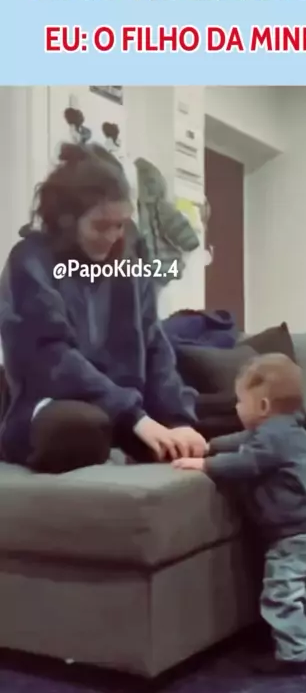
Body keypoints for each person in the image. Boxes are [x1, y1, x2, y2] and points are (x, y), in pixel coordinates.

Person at [0, 142, 207, 473]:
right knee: (77, 427)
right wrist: (134, 417)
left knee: (215, 422)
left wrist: (178, 420)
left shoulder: (129, 264)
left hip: (128, 411)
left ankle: (133, 440)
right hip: (58, 407)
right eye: (100, 225)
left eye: (120, 225)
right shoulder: (29, 259)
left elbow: (155, 346)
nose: (112, 236)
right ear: (67, 220)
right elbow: (50, 358)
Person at [174, 353, 306, 676]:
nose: (236, 407)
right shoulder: (286, 429)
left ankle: (291, 654)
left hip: (293, 535)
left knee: (280, 591)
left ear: (263, 406)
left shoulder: (273, 438)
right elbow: (245, 440)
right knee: (303, 587)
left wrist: (205, 464)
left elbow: (248, 462)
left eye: (240, 402)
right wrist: (211, 445)